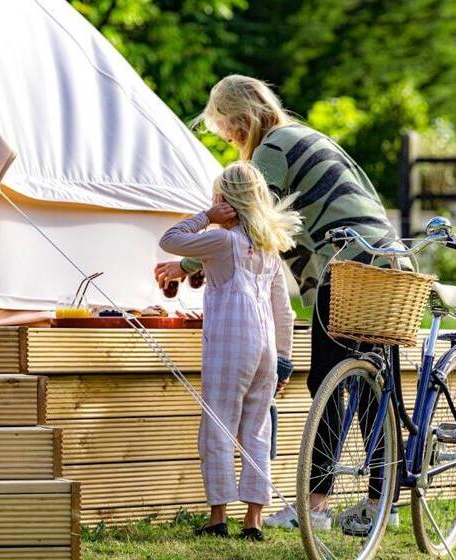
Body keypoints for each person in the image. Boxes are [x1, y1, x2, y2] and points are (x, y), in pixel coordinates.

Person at [155, 75, 402, 530]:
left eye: (228, 129)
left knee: (329, 381)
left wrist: (187, 265)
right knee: (375, 386)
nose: (229, 139)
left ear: (242, 119)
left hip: (345, 264)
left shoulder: (274, 146)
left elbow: (248, 220)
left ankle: (315, 506)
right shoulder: (307, 135)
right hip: (384, 260)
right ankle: (379, 501)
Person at [159, 161, 300, 541]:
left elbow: (170, 239)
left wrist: (205, 216)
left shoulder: (222, 240)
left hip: (231, 345)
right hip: (267, 348)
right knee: (257, 428)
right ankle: (253, 520)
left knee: (218, 426)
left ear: (225, 200)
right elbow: (283, 311)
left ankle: (218, 515)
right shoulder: (268, 248)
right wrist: (285, 361)